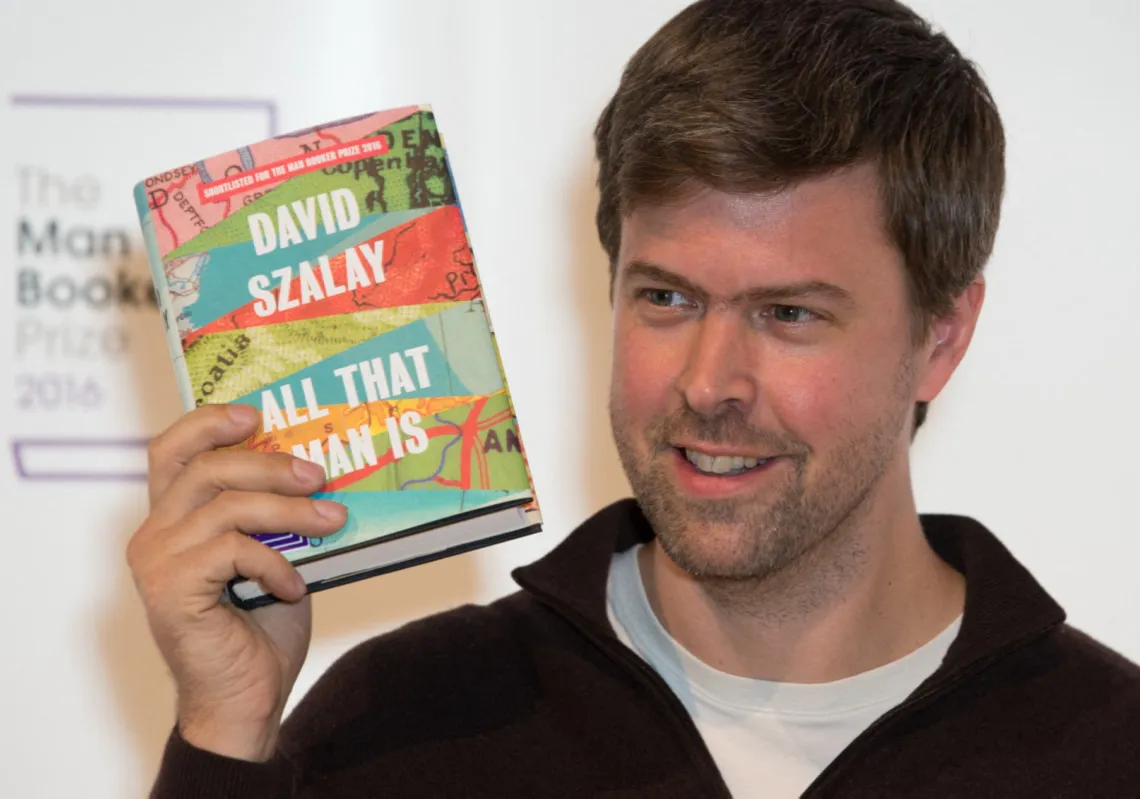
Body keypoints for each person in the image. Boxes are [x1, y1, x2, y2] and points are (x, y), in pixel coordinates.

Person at [128, 0, 1140, 796]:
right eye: (665, 297)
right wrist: (226, 738)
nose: (708, 382)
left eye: (788, 314)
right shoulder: (399, 722)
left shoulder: (1106, 751)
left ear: (942, 338)